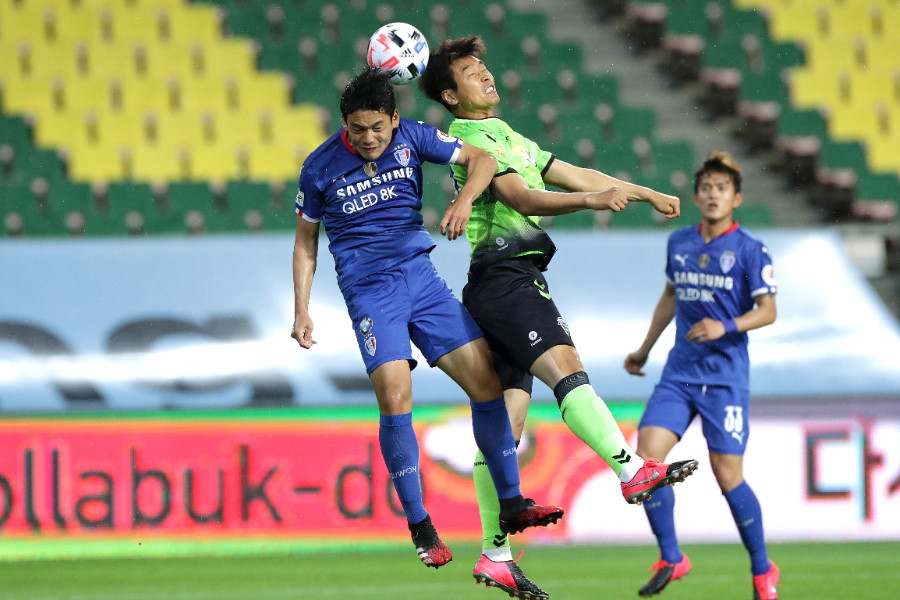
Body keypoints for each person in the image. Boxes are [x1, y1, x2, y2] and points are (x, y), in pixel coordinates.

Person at [419, 37, 699, 600]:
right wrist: (594, 204)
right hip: (508, 280)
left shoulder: (503, 132)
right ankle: (628, 470)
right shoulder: (470, 139)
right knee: (567, 369)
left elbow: (570, 170)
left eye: (485, 67)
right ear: (451, 95)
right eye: (473, 73)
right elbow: (523, 198)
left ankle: (497, 554)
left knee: (506, 430)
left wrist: (641, 193)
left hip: (499, 285)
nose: (487, 76)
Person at [291, 67, 564, 570]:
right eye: (357, 129)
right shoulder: (318, 168)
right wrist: (302, 308)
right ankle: (420, 524)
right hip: (372, 294)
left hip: (422, 279)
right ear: (344, 124)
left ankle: (512, 502)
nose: (369, 138)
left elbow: (481, 159)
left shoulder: (415, 136)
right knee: (396, 396)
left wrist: (462, 202)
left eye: (377, 127)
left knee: (485, 384)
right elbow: (306, 241)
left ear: (394, 119)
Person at [623, 152, 779, 599]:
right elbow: (670, 296)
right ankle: (672, 557)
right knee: (646, 463)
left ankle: (763, 570)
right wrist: (644, 349)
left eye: (722, 189)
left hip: (726, 377)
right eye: (706, 188)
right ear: (696, 196)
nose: (713, 195)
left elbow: (768, 311)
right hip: (680, 375)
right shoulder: (679, 243)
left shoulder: (750, 249)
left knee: (728, 476)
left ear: (737, 197)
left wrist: (724, 326)